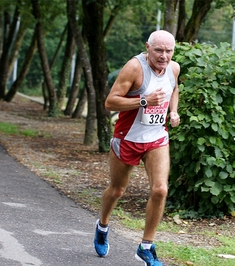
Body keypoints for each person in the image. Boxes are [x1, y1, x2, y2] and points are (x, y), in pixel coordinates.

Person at [93, 30, 180, 266]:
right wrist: (144, 101)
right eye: (159, 50)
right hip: (128, 138)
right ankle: (102, 226)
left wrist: (173, 111)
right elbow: (110, 102)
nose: (164, 56)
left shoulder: (174, 68)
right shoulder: (134, 68)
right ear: (148, 47)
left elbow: (174, 89)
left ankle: (146, 246)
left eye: (169, 51)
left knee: (160, 189)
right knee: (117, 190)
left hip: (157, 137)